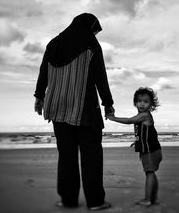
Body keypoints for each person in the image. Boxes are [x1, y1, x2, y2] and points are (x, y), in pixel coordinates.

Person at [34, 13, 114, 211]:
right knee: (91, 155)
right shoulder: (91, 44)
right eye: (95, 30)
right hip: (84, 108)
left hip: (57, 107)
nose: (95, 35)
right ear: (90, 27)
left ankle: (68, 200)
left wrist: (39, 96)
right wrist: (108, 103)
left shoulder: (53, 44)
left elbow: (43, 71)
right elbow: (100, 76)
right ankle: (95, 201)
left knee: (67, 156)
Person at [106, 87, 162, 206]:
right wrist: (137, 141)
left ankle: (147, 199)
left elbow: (129, 120)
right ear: (135, 102)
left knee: (150, 173)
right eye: (139, 101)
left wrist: (113, 118)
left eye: (146, 101)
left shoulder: (144, 115)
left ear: (151, 104)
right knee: (151, 173)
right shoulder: (142, 115)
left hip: (150, 151)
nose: (142, 103)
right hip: (153, 149)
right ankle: (154, 198)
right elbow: (145, 133)